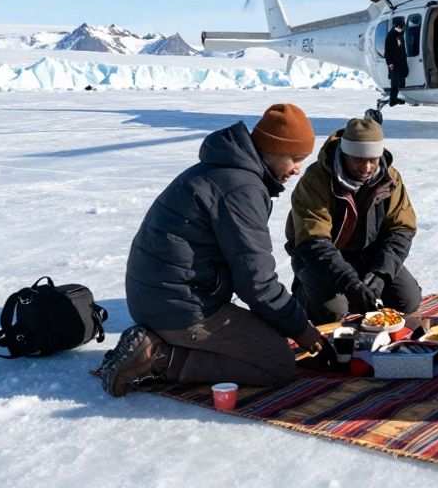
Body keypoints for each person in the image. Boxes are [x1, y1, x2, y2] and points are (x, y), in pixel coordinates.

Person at [98, 103, 328, 397]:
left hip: (159, 296)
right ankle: (157, 357)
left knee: (267, 335)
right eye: (295, 158)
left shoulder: (225, 171)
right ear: (272, 148)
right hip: (180, 307)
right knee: (277, 362)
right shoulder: (240, 188)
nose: (297, 169)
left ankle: (158, 342)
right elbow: (257, 283)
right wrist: (302, 330)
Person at [286, 117, 421, 322]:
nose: (366, 167)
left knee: (407, 300)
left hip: (367, 256)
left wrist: (381, 273)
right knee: (332, 312)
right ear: (344, 153)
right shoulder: (317, 179)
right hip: (319, 259)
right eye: (358, 159)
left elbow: (401, 229)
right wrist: (349, 281)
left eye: (372, 159)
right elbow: (314, 240)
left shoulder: (390, 179)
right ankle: (304, 294)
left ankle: (361, 290)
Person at [384, 16, 409, 106]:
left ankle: (400, 97)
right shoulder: (390, 36)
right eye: (399, 27)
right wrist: (389, 63)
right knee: (395, 83)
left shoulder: (400, 34)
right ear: (395, 26)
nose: (401, 29)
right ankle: (393, 100)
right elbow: (387, 51)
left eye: (402, 27)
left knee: (402, 81)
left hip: (401, 62)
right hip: (394, 64)